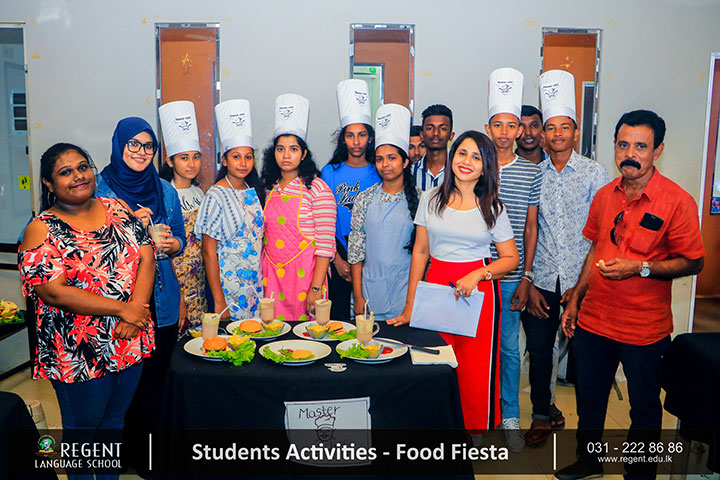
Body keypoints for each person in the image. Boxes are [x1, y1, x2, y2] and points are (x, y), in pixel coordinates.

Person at [555, 110, 705, 480]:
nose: (630, 154)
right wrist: (575, 299)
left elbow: (694, 261)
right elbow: (596, 249)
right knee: (590, 397)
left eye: (640, 146)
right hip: (595, 321)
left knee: (644, 408)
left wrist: (641, 267)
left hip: (644, 329)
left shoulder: (677, 201)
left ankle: (639, 474)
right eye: (623, 145)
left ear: (658, 150)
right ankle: (589, 461)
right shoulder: (605, 195)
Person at [19, 143, 155, 480]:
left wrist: (136, 311)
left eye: (83, 167)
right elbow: (53, 291)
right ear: (49, 183)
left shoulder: (116, 208)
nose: (78, 176)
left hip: (129, 339)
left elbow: (147, 255)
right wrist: (125, 309)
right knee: (83, 431)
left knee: (113, 423)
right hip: (78, 351)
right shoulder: (41, 228)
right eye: (66, 172)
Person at [389, 130, 519, 437]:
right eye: (462, 153)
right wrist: (410, 306)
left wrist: (479, 274)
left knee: (474, 368)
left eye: (476, 157)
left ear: (485, 167)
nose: (467, 161)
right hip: (436, 285)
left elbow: (510, 258)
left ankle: (474, 433)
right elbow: (421, 252)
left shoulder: (493, 206)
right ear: (452, 156)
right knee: (434, 362)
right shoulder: (430, 198)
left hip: (478, 292)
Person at [522, 70, 609, 447]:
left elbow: (602, 235)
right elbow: (530, 230)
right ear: (543, 134)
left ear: (575, 132)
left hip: (583, 279)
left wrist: (581, 287)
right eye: (551, 128)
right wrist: (528, 280)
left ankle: (589, 433)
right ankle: (541, 415)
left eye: (564, 127)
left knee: (587, 357)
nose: (557, 134)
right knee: (541, 352)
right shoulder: (534, 175)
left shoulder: (594, 173)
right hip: (542, 279)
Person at [94, 116, 185, 474]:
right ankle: (118, 456)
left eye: (148, 146)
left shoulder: (165, 190)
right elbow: (94, 248)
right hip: (119, 303)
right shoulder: (99, 189)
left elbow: (179, 238)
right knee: (121, 386)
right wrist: (133, 225)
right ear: (119, 144)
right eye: (134, 143)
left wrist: (172, 244)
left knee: (155, 384)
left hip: (162, 300)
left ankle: (148, 458)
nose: (141, 152)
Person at [484, 67, 542, 452]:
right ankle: (477, 413)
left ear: (519, 130)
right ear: (487, 128)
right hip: (476, 274)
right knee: (474, 346)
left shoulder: (531, 172)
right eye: (498, 125)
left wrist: (526, 276)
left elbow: (530, 228)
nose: (504, 132)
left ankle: (509, 416)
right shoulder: (475, 167)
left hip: (510, 279)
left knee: (507, 349)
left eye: (511, 126)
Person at [261, 94, 337, 321]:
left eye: (293, 149)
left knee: (307, 336)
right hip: (271, 278)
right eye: (280, 149)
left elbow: (325, 246)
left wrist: (315, 288)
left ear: (303, 154)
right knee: (272, 333)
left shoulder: (318, 189)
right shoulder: (267, 189)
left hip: (306, 280)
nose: (286, 155)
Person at [348, 104, 419, 320]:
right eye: (379, 159)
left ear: (405, 162)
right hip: (371, 291)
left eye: (391, 158)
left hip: (408, 292)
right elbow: (356, 252)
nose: (385, 164)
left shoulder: (422, 199)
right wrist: (358, 296)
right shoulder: (365, 198)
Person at [195, 99, 265, 320]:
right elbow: (208, 251)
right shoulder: (216, 195)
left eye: (248, 157)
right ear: (224, 160)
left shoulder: (252, 190)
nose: (243, 163)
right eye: (236, 157)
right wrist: (219, 300)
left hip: (254, 286)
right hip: (229, 290)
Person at [321, 79, 380, 322]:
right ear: (343, 139)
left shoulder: (379, 171)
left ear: (370, 138)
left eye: (362, 135)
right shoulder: (329, 172)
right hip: (338, 249)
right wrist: (336, 259)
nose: (356, 142)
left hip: (373, 249)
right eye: (350, 135)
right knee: (337, 319)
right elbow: (324, 221)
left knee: (369, 317)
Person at [158, 100, 207, 329]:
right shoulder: (164, 195)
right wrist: (178, 298)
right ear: (170, 161)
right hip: (175, 282)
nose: (191, 164)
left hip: (199, 282)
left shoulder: (199, 193)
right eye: (184, 158)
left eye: (196, 157)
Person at [412, 104, 454, 191]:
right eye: (430, 128)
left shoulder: (458, 171)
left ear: (451, 135)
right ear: (422, 135)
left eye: (442, 128)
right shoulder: (411, 172)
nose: (436, 133)